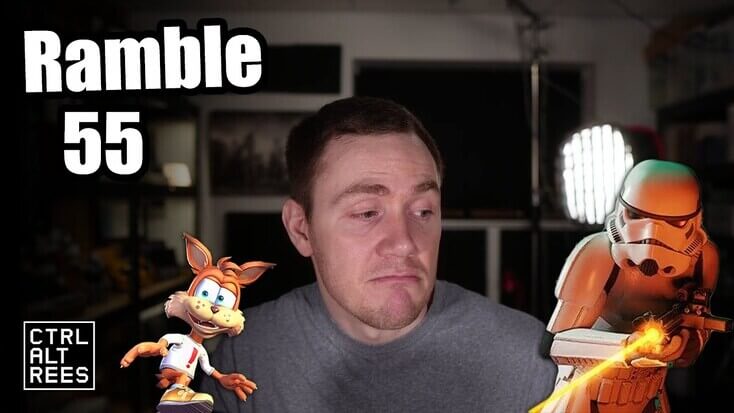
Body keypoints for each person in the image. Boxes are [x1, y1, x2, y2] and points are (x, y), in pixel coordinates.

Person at [201, 96, 556, 412]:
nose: (404, 243)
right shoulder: (244, 355)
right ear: (301, 229)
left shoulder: (528, 358)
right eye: (367, 212)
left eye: (423, 211)